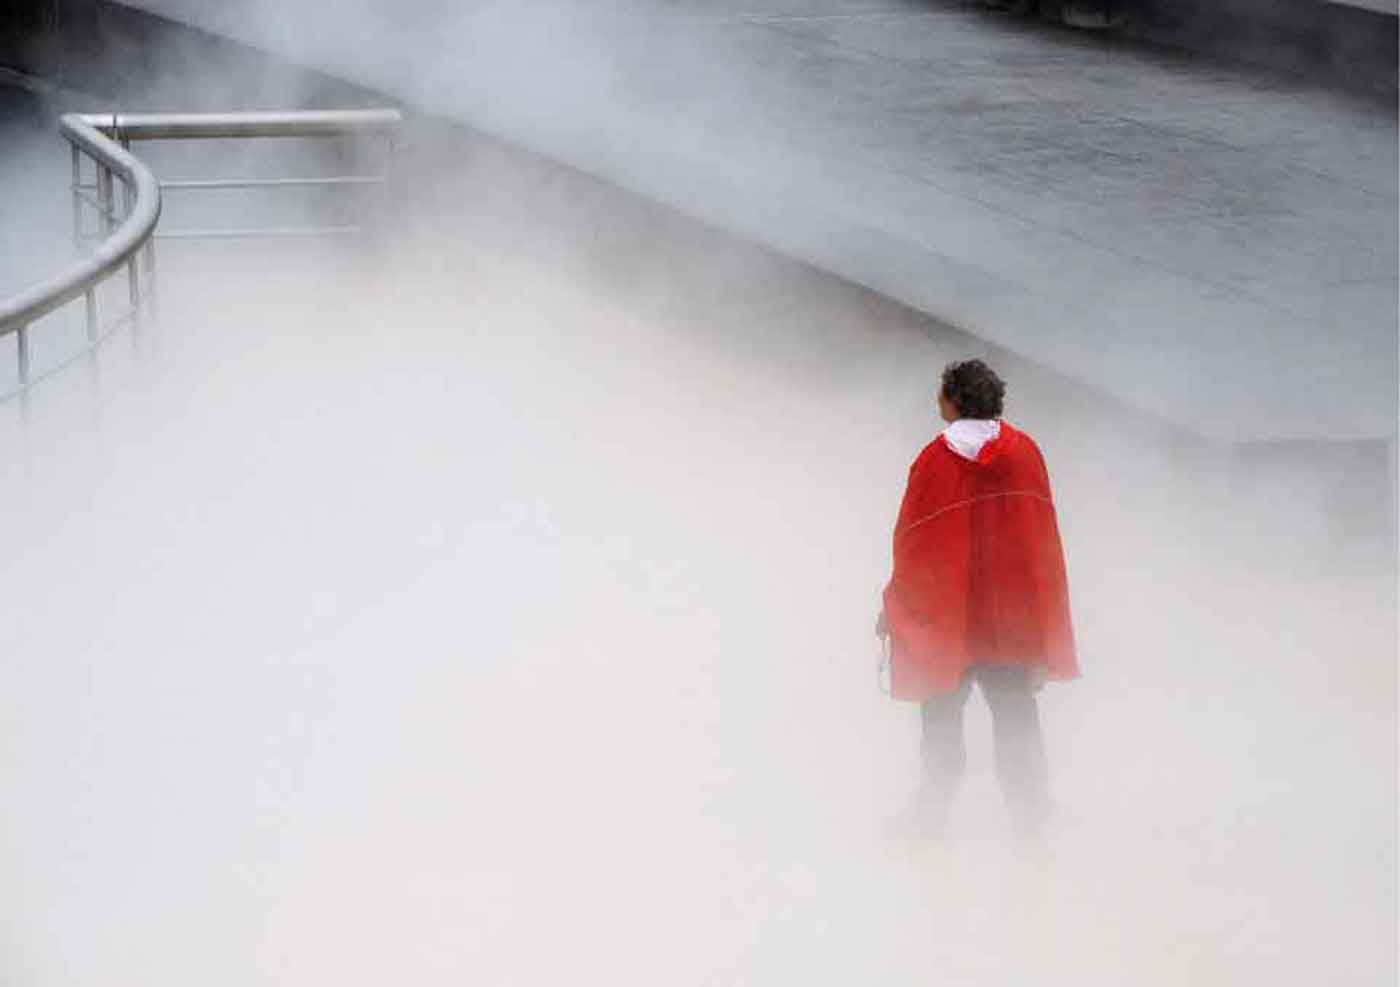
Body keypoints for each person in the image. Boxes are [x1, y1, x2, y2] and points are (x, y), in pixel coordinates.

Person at [876, 359, 1078, 835]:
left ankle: (930, 821)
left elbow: (914, 545)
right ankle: (1033, 825)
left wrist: (893, 606)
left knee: (942, 720)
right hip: (1009, 622)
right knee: (1016, 719)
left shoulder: (935, 461)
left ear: (951, 401)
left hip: (948, 621)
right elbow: (1040, 540)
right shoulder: (1025, 454)